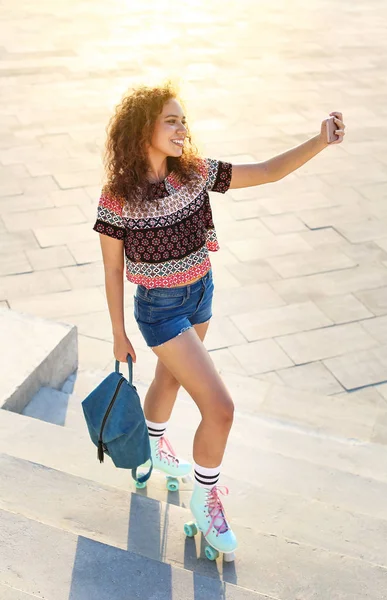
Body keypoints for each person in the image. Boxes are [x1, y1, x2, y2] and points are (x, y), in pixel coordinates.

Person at [94, 82, 345, 558]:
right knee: (221, 408)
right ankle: (205, 502)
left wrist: (319, 140)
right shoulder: (118, 197)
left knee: (169, 379)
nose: (181, 128)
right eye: (171, 120)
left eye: (183, 120)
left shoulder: (194, 174)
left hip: (200, 293)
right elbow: (111, 267)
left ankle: (149, 450)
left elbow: (268, 171)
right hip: (161, 309)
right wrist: (117, 333)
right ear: (141, 128)